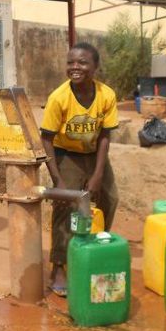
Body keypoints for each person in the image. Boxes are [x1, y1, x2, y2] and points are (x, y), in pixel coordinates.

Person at [40, 42, 120, 296]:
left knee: (109, 198)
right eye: (71, 62)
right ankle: (59, 266)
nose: (76, 67)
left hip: (94, 155)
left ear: (95, 67)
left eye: (83, 62)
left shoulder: (106, 95)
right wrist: (59, 181)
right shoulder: (58, 98)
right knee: (65, 206)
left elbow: (105, 136)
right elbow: (46, 140)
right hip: (67, 155)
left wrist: (97, 175)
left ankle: (96, 250)